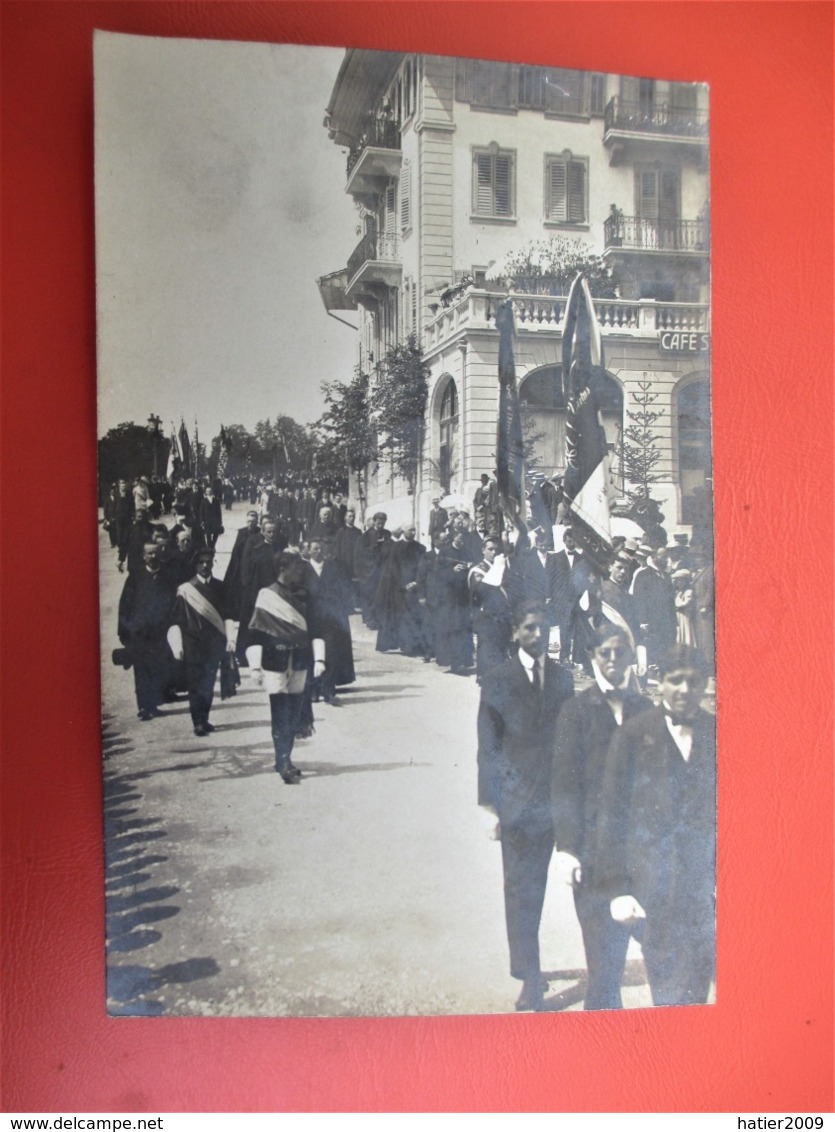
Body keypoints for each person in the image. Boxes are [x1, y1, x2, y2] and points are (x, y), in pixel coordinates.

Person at [591, 644, 716, 1006]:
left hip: (701, 890)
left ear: (705, 685)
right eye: (675, 681)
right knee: (668, 989)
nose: (684, 690)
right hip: (653, 887)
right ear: (660, 682)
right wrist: (617, 889)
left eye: (693, 682)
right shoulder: (633, 734)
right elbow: (611, 815)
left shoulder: (716, 731)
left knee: (698, 987)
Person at [477, 601, 575, 1011]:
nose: (539, 636)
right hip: (519, 805)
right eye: (531, 629)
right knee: (522, 890)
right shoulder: (498, 680)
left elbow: (572, 743)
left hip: (560, 801)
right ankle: (529, 976)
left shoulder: (563, 679)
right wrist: (493, 807)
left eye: (545, 629)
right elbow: (488, 747)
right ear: (516, 632)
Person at [551, 625, 652, 1009]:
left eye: (619, 652)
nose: (612, 660)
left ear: (630, 657)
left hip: (638, 852)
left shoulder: (646, 709)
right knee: (604, 965)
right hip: (592, 856)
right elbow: (563, 784)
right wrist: (567, 847)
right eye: (604, 653)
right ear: (593, 657)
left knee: (658, 949)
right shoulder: (575, 711)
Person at [246, 551, 325, 784]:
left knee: (293, 711)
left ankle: (285, 758)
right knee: (280, 712)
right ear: (283, 569)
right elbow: (255, 635)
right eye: (297, 568)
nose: (301, 571)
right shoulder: (266, 595)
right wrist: (254, 667)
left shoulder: (305, 596)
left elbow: (316, 629)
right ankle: (283, 762)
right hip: (273, 662)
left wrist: (319, 659)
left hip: (299, 660)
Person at [167, 548, 235, 736]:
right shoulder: (185, 589)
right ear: (195, 565)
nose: (205, 565)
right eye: (201, 562)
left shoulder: (221, 587)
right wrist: (178, 646)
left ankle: (204, 719)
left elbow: (227, 614)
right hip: (193, 644)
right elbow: (177, 620)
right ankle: (197, 721)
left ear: (213, 563)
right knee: (195, 683)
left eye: (208, 562)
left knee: (209, 682)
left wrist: (230, 639)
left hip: (214, 644)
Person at [117, 542, 177, 720]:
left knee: (158, 667)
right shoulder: (135, 577)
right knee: (141, 669)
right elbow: (125, 605)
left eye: (156, 553)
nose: (153, 557)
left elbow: (173, 602)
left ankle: (154, 703)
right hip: (140, 633)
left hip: (160, 632)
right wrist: (124, 631)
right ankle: (144, 706)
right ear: (143, 556)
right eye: (149, 554)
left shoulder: (167, 577)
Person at [468, 537, 512, 682]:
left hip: (503, 615)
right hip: (485, 615)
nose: (493, 553)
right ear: (483, 550)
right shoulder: (477, 570)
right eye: (490, 549)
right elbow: (481, 591)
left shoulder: (503, 568)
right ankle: (484, 675)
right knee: (486, 646)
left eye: (496, 550)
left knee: (501, 646)